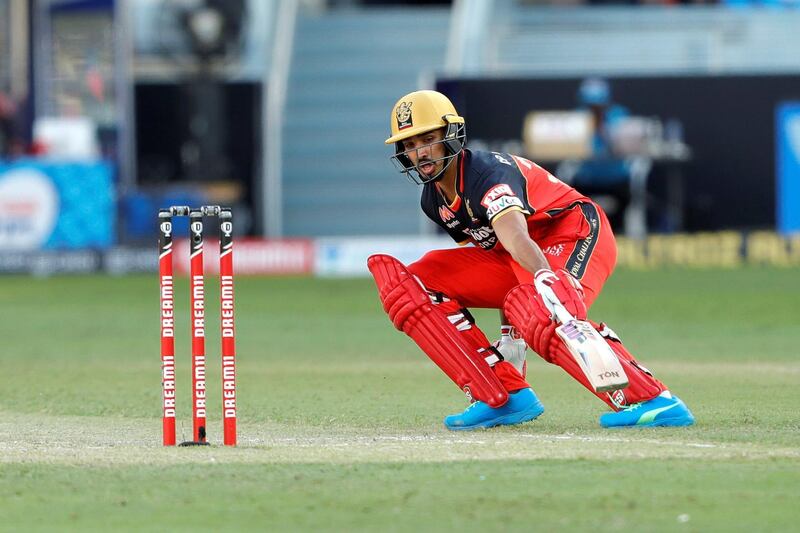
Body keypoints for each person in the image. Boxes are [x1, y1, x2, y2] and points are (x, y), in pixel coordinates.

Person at [367, 90, 694, 430]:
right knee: (413, 283)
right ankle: (504, 395)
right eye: (409, 143)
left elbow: (515, 236)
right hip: (523, 250)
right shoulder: (433, 201)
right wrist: (511, 334)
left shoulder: (488, 174)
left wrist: (544, 278)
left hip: (573, 232)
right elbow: (496, 253)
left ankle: (653, 400)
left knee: (542, 311)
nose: (419, 152)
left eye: (428, 139)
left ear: (451, 135)